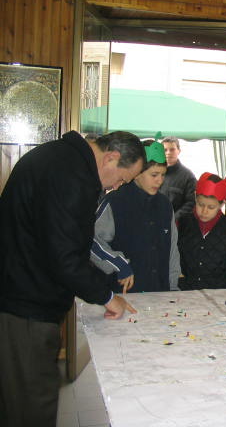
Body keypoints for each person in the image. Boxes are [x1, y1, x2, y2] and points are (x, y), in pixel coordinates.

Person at [0, 130, 144, 426]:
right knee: (31, 407)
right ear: (111, 157)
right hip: (25, 308)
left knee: (17, 400)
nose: (117, 187)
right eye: (122, 179)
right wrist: (107, 297)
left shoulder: (60, 157)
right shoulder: (70, 175)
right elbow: (65, 257)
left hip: (20, 294)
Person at [91, 139, 180, 293]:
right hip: (123, 293)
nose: (159, 180)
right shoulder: (115, 202)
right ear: (137, 173)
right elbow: (91, 242)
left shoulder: (165, 205)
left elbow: (172, 250)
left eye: (163, 175)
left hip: (159, 293)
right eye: (154, 175)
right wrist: (118, 264)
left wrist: (173, 287)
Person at [177, 172, 226, 290]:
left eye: (211, 207)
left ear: (222, 204)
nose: (204, 211)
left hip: (221, 294)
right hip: (186, 293)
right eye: (200, 204)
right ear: (195, 197)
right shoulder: (182, 224)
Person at [159, 136, 197, 222]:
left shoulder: (188, 176)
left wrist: (173, 219)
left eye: (172, 149)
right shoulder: (154, 173)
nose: (168, 153)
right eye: (165, 150)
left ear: (179, 151)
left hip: (177, 225)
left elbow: (191, 203)